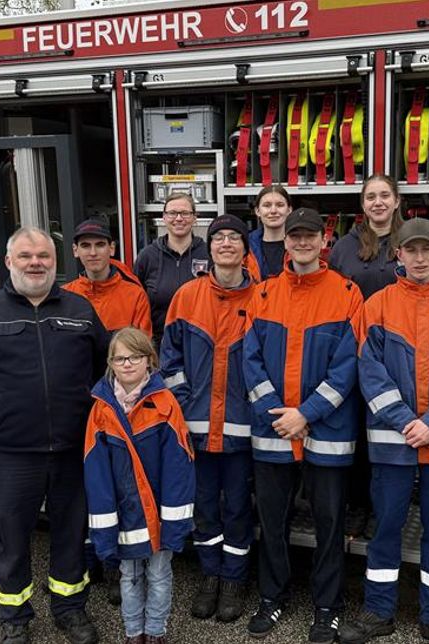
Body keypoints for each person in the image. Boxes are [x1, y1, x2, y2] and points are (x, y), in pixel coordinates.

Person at [0, 227, 109, 644]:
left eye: (44, 256)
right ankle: (13, 617)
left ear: (56, 262)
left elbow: (107, 371)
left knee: (71, 534)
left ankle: (70, 608)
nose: (36, 263)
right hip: (10, 452)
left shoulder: (81, 310)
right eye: (27, 256)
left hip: (73, 448)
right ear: (9, 262)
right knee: (10, 538)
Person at [338, 219, 429, 644]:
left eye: (427, 250)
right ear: (397, 255)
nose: (419, 258)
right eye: (410, 250)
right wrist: (407, 422)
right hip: (393, 442)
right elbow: (370, 371)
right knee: (386, 527)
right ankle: (378, 612)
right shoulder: (378, 305)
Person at [243, 207, 364, 644]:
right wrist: (280, 414)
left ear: (322, 240)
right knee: (271, 520)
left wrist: (306, 414)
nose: (302, 243)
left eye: (310, 236)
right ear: (286, 242)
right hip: (274, 428)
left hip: (326, 432)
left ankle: (327, 606)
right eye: (295, 237)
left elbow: (348, 367)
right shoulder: (262, 294)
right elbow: (250, 361)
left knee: (329, 525)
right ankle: (271, 597)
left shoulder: (347, 293)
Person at [160, 214, 257, 623]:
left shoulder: (263, 298)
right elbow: (170, 357)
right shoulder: (187, 296)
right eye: (219, 239)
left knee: (237, 507)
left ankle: (233, 580)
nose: (226, 245)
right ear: (209, 248)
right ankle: (210, 577)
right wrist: (183, 402)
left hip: (243, 430)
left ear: (245, 251)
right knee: (204, 508)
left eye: (235, 238)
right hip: (196, 427)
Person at [84, 326, 196, 644]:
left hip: (159, 512)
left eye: (135, 357)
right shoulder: (101, 410)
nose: (128, 364)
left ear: (150, 360)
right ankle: (134, 634)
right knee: (130, 575)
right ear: (110, 363)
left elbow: (179, 470)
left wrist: (174, 523)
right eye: (120, 358)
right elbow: (96, 474)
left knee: (159, 575)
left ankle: (156, 631)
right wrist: (105, 526)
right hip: (125, 512)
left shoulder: (165, 405)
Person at [328, 174, 403, 536]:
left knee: (390, 431)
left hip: (398, 353)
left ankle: (384, 508)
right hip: (354, 352)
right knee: (357, 431)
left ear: (396, 201)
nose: (378, 202)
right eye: (370, 196)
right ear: (362, 205)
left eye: (384, 195)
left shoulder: (411, 241)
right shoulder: (345, 246)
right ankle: (357, 506)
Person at [133, 192, 210, 342]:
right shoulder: (147, 256)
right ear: (164, 217)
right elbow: (135, 303)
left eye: (185, 213)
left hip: (200, 342)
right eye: (172, 213)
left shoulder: (209, 254)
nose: (179, 218)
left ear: (195, 218)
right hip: (158, 344)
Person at [63, 217, 152, 335]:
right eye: (85, 246)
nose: (93, 253)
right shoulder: (64, 296)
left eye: (100, 245)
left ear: (112, 248)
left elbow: (142, 349)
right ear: (75, 250)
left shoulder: (135, 296)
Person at [247, 185, 292, 281]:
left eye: (280, 205)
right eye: (267, 205)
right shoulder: (245, 246)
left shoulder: (300, 244)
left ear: (289, 210)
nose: (273, 211)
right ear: (257, 211)